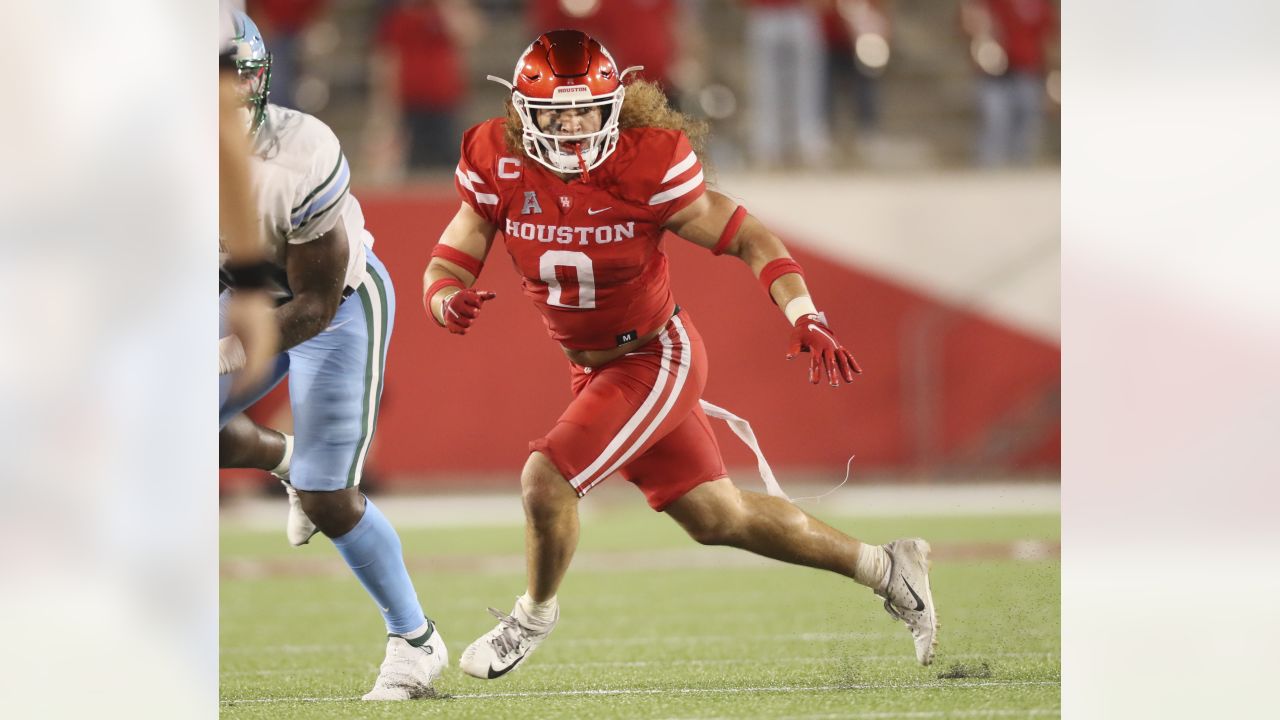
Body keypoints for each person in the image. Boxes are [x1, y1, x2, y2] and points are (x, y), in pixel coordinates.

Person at [421, 30, 938, 680]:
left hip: (654, 358)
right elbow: (451, 253)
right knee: (718, 518)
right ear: (523, 114)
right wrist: (445, 298)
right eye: (557, 113)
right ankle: (888, 568)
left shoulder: (647, 163)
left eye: (587, 110)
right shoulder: (495, 158)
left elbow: (749, 236)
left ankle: (532, 616)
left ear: (616, 106)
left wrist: (806, 313)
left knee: (545, 482)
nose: (574, 126)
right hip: (592, 367)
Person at [218, 11, 446, 701]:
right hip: (231, 288)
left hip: (333, 306)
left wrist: (221, 351)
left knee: (329, 494)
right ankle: (282, 458)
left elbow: (311, 304)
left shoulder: (300, 152)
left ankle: (415, 640)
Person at [960, 0, 1058, 166]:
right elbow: (971, 16)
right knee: (995, 119)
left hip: (1028, 70)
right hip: (995, 71)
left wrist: (1052, 76)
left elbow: (1049, 37)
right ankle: (989, 168)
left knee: (1027, 123)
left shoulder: (1041, 5)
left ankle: (1020, 171)